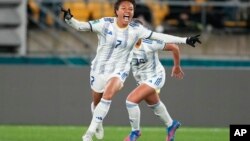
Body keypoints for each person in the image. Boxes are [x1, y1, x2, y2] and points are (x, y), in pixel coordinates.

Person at [60, 0, 201, 141]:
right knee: (153, 104)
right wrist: (70, 20)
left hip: (143, 74)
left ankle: (126, 133)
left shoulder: (144, 38)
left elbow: (166, 41)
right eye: (124, 8)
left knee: (127, 100)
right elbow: (83, 27)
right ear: (116, 11)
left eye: (131, 9)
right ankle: (171, 124)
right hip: (120, 75)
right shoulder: (115, 33)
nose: (128, 11)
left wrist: (184, 43)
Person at [124, 38, 183, 141]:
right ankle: (171, 125)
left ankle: (135, 131)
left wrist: (177, 66)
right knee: (154, 104)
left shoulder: (151, 43)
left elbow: (174, 47)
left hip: (156, 76)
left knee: (131, 101)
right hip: (143, 80)